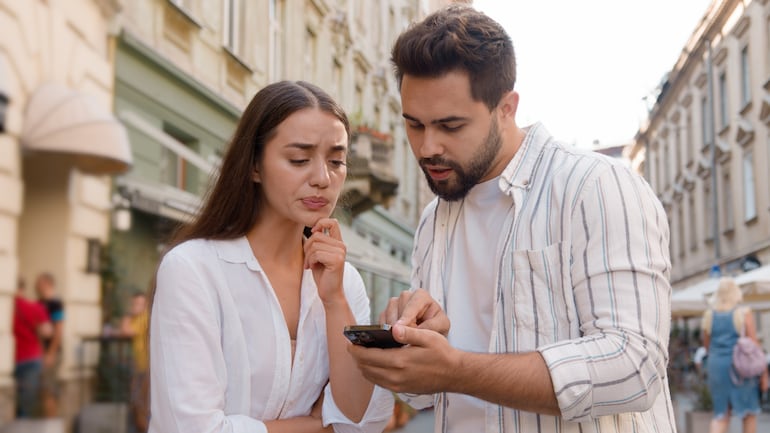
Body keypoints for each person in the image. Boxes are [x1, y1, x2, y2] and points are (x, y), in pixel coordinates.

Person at [348, 5, 676, 433]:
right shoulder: (434, 219)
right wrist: (412, 348)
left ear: (507, 108)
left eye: (450, 125)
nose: (427, 147)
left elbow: (634, 367)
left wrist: (456, 369)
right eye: (415, 125)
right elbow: (424, 394)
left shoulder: (595, 186)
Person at [148, 80, 394, 433]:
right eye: (299, 159)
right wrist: (318, 426)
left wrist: (335, 300)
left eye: (337, 160)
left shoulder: (344, 281)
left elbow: (365, 421)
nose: (323, 178)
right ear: (254, 166)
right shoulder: (193, 269)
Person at [701, 277, 769, 433]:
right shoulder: (744, 313)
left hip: (716, 366)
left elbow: (707, 346)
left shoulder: (709, 315)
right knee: (749, 413)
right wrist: (764, 373)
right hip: (741, 368)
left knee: (721, 415)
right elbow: (755, 345)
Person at [13, 277, 52, 418]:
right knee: (25, 403)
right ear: (23, 289)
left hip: (10, 358)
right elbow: (47, 332)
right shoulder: (35, 307)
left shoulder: (7, 306)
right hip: (31, 358)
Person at [34, 272, 64, 417]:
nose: (36, 286)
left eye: (40, 282)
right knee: (43, 390)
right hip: (39, 352)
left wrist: (51, 353)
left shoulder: (56, 304)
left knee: (48, 390)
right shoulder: (38, 303)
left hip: (50, 353)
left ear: (48, 284)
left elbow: (58, 330)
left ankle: (52, 423)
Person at [120, 290, 150, 432]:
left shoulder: (144, 318)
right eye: (134, 303)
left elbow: (125, 331)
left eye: (139, 303)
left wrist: (128, 315)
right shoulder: (137, 318)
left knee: (140, 404)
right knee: (137, 403)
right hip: (139, 367)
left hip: (145, 368)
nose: (136, 306)